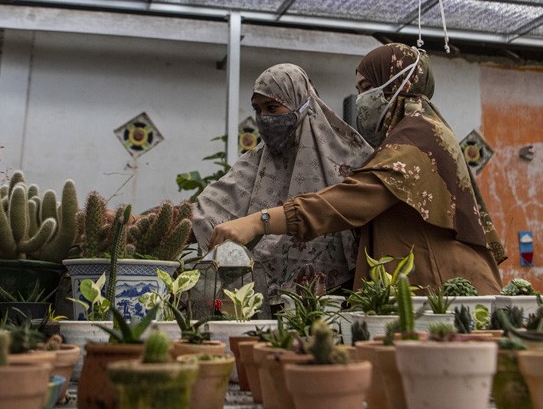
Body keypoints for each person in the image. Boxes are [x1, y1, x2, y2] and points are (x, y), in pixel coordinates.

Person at [208, 43, 505, 295]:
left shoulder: (420, 136)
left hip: (446, 288)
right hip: (429, 285)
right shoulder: (415, 133)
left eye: (367, 88)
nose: (362, 99)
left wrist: (259, 222)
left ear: (398, 84)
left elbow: (356, 199)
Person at [192, 63, 374, 298]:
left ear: (301, 104)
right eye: (258, 110)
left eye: (272, 108)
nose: (264, 118)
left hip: (336, 300)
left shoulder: (348, 157)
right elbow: (212, 205)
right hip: (260, 302)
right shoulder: (257, 161)